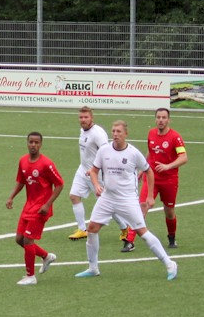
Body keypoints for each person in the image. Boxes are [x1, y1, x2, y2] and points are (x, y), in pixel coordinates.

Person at [75, 120, 178, 281]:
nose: (115, 134)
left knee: (142, 232)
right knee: (92, 228)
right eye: (113, 131)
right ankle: (93, 268)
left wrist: (150, 196)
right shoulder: (104, 150)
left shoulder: (133, 153)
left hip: (127, 199)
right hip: (107, 197)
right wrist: (96, 185)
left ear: (126, 134)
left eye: (118, 132)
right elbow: (94, 170)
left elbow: (149, 172)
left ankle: (169, 263)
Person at [123, 108, 187, 252]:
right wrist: (142, 169)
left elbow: (184, 158)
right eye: (158, 117)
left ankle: (172, 237)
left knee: (169, 211)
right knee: (142, 206)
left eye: (164, 117)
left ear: (168, 120)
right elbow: (150, 152)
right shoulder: (151, 133)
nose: (161, 120)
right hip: (151, 177)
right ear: (155, 119)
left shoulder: (175, 137)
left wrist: (167, 166)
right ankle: (129, 241)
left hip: (169, 180)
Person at [5, 132, 64, 285]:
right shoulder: (23, 161)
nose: (33, 145)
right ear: (27, 143)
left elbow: (59, 184)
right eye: (31, 142)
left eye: (36, 142)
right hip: (28, 206)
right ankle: (46, 257)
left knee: (28, 240)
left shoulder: (46, 164)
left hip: (41, 208)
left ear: (41, 144)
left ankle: (30, 276)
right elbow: (21, 182)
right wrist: (11, 197)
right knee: (19, 239)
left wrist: (47, 204)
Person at [67, 106, 130, 242]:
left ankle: (124, 227)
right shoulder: (82, 131)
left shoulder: (98, 133)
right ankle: (82, 229)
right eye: (81, 117)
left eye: (86, 117)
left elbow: (106, 152)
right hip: (82, 170)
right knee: (74, 196)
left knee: (107, 204)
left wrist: (95, 169)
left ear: (92, 118)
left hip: (97, 173)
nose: (83, 120)